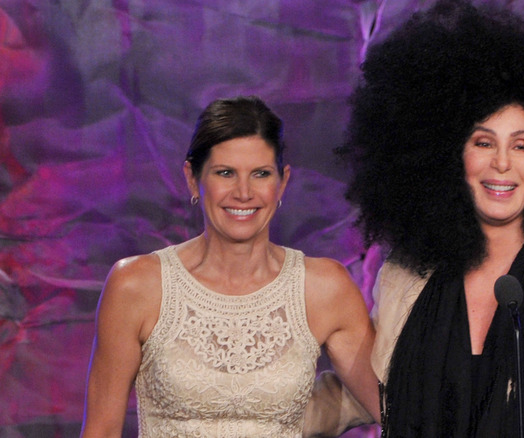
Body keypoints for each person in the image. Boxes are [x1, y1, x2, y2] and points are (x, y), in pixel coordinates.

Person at [309, 0, 524, 436]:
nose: (501, 164)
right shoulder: (406, 272)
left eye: (522, 145)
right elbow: (374, 391)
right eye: (483, 142)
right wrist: (254, 414)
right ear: (449, 152)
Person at [80, 96, 380, 437]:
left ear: (281, 182)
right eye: (225, 173)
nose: (243, 192)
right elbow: (101, 430)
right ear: (193, 179)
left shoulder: (325, 287)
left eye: (260, 174)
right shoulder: (136, 285)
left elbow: (398, 407)